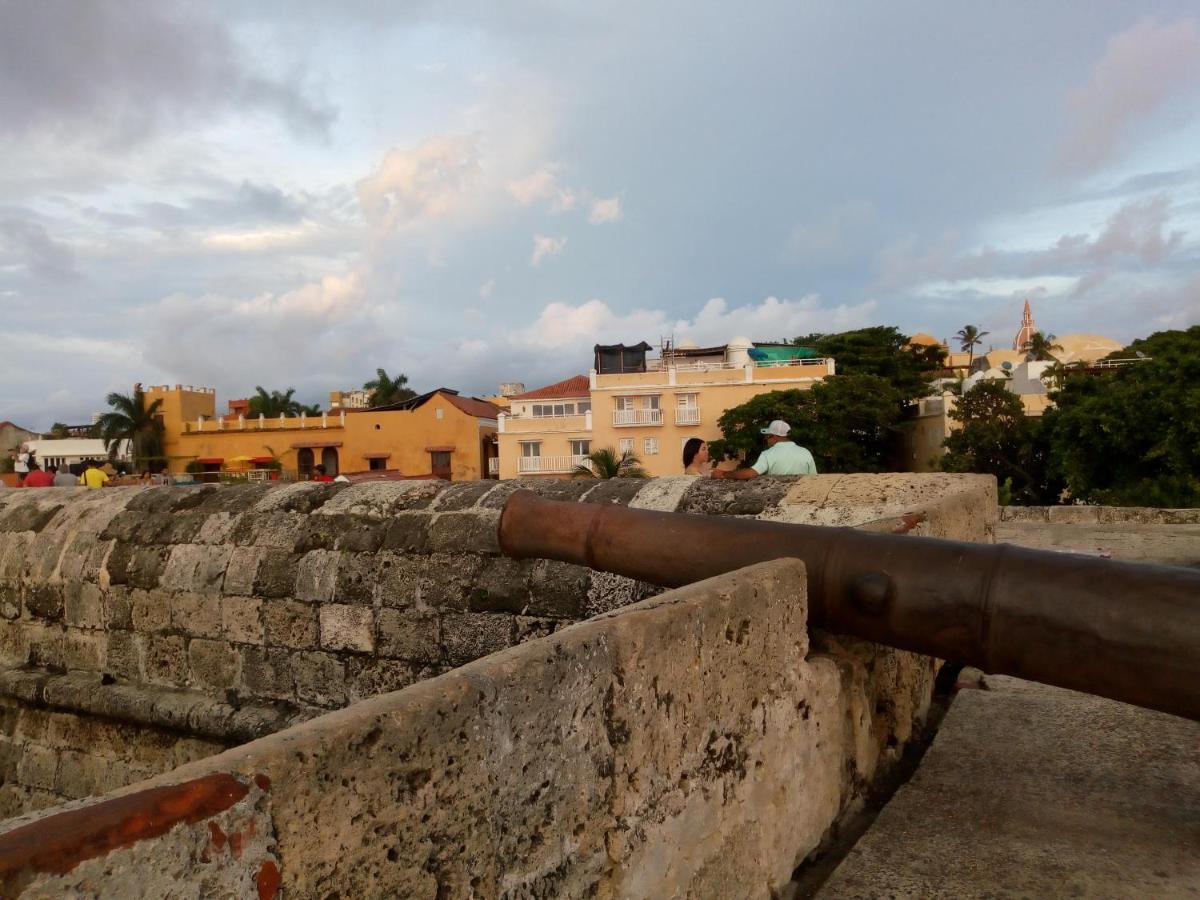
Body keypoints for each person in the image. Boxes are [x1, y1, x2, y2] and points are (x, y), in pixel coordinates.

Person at [712, 419, 817, 480]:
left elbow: (751, 473)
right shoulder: (805, 452)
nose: (766, 440)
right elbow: (814, 479)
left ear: (774, 436)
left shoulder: (768, 454)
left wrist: (724, 474)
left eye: (767, 437)